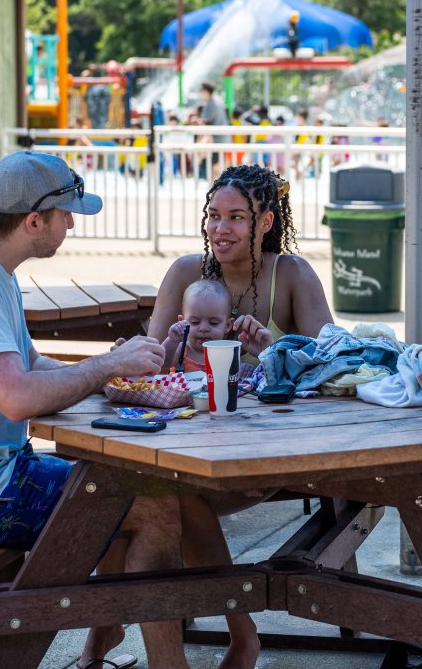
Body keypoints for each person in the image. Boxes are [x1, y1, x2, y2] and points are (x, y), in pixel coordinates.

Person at [0, 151, 178, 669]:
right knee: (154, 505)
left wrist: (112, 378)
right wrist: (104, 365)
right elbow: (17, 397)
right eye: (66, 214)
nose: (71, 222)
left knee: (126, 490)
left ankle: (98, 651)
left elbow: (30, 364)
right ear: (33, 221)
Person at [147, 165, 335, 669]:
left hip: (265, 454)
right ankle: (239, 632)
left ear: (266, 222)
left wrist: (273, 348)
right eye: (213, 216)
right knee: (146, 498)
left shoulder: (291, 276)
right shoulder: (187, 274)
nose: (219, 229)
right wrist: (160, 350)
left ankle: (239, 632)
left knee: (164, 500)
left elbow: (333, 368)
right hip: (187, 445)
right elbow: (152, 366)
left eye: (235, 217)